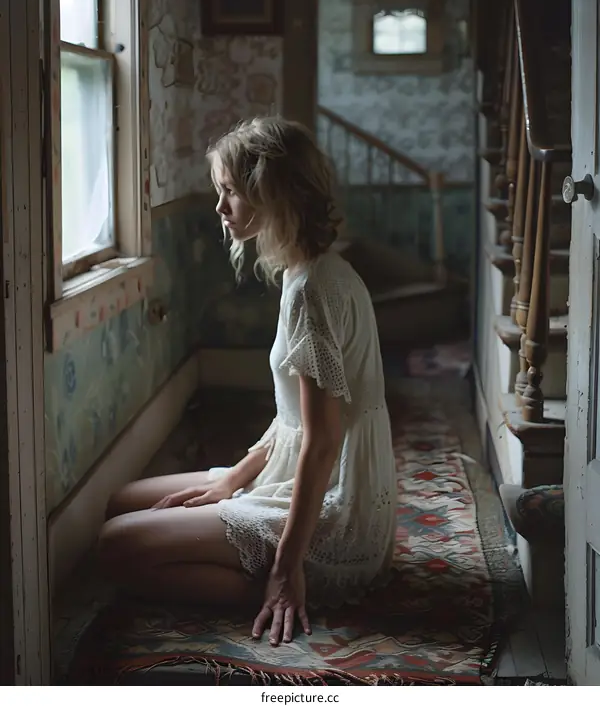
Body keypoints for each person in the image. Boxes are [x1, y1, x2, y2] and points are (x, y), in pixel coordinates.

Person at [98, 116, 397, 646]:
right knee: (123, 502)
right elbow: (295, 425)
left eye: (230, 192)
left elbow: (324, 442)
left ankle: (283, 580)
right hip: (293, 472)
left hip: (336, 510)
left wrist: (287, 566)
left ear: (272, 193)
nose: (219, 208)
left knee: (117, 546)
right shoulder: (310, 271)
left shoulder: (315, 290)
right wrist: (232, 480)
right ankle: (253, 553)